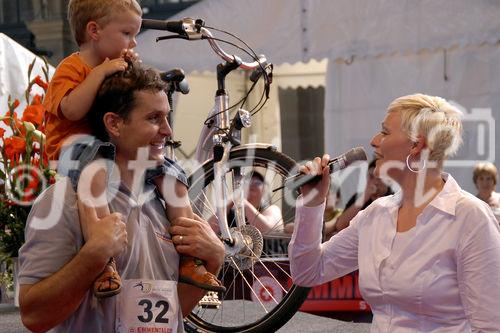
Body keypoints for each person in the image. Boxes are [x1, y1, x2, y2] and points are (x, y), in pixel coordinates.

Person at [18, 63, 225, 332]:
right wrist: (92, 257)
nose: (167, 131)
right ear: (114, 123)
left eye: (167, 118)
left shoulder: (167, 200)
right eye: (153, 118)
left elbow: (174, 312)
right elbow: (34, 316)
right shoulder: (62, 201)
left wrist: (214, 260)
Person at [289, 93, 500, 332]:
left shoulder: (469, 217)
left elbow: (490, 326)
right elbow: (308, 271)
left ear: (416, 144)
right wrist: (312, 203)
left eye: (385, 132)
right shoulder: (376, 215)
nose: (374, 140)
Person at [42, 0, 143, 298]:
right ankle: (101, 258)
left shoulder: (111, 67)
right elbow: (72, 110)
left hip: (103, 146)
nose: (133, 42)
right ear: (94, 31)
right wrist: (100, 74)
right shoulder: (71, 68)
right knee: (93, 176)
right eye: (126, 33)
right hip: (70, 148)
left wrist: (130, 75)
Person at [332, 159, 393, 234]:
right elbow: (340, 226)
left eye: (380, 178)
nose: (375, 182)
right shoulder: (359, 197)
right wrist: (365, 196)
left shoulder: (394, 200)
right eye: (371, 177)